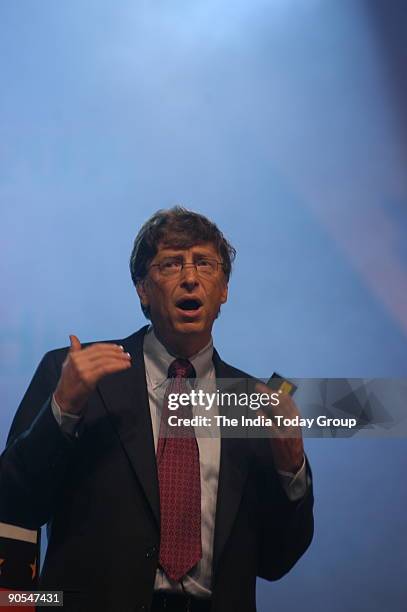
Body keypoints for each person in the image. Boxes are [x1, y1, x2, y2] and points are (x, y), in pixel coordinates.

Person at [0, 207, 314, 612]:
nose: (189, 277)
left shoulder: (254, 402)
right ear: (142, 290)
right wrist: (63, 409)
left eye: (204, 263)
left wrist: (292, 470)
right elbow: (15, 504)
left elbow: (276, 561)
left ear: (223, 291)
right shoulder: (75, 374)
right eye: (170, 264)